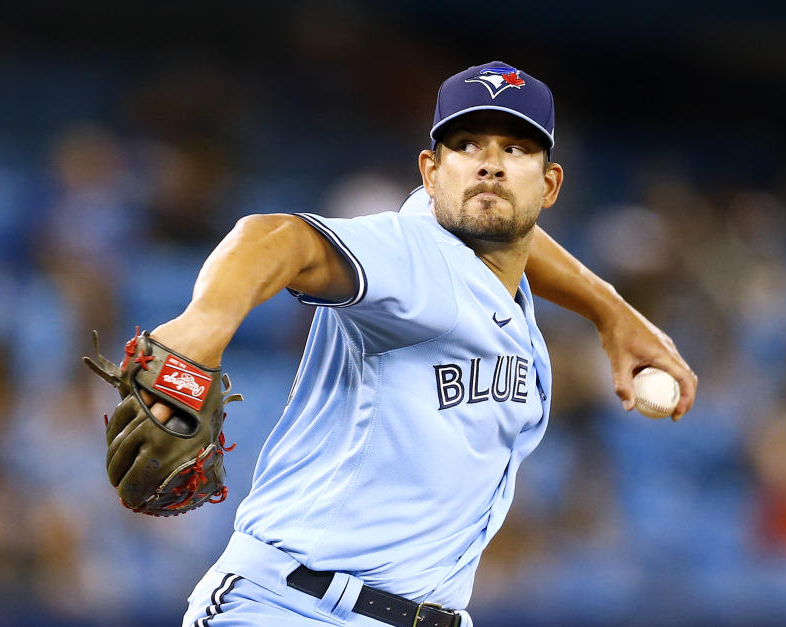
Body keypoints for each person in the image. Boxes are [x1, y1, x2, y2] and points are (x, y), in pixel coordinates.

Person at [136, 61, 695, 627]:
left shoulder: (502, 290)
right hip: (294, 610)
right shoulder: (410, 258)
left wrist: (613, 313)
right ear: (431, 172)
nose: (490, 165)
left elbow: (516, 237)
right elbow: (275, 238)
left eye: (517, 149)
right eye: (467, 144)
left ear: (549, 184)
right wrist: (204, 324)